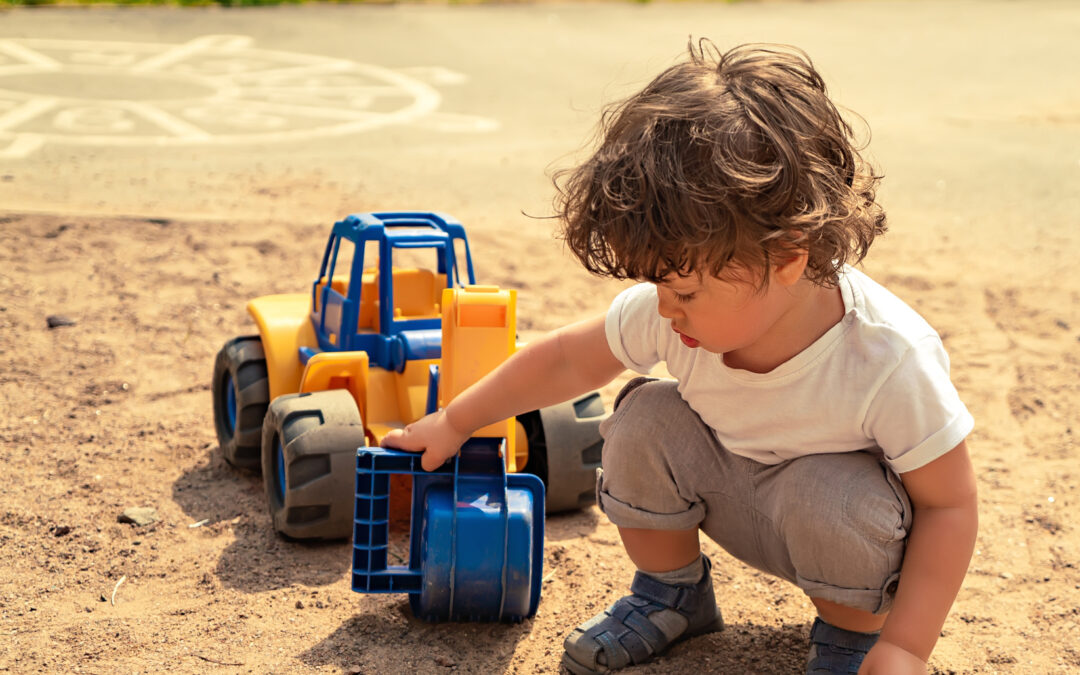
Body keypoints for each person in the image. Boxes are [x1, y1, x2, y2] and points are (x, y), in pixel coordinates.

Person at [382, 40, 978, 675]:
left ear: (786, 259)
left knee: (826, 494)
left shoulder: (886, 358)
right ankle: (673, 595)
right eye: (658, 285)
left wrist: (906, 646)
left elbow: (949, 505)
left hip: (835, 530)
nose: (666, 308)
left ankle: (850, 636)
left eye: (684, 290)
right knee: (644, 419)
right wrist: (455, 420)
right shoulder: (678, 313)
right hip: (730, 493)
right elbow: (564, 360)